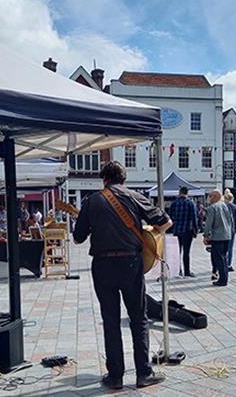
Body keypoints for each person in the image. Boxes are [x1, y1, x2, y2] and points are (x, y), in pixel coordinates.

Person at [72, 161, 172, 390]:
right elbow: (166, 222)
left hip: (103, 265)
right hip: (130, 263)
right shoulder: (135, 196)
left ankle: (115, 376)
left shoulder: (92, 201)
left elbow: (78, 238)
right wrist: (148, 237)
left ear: (103, 179)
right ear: (123, 179)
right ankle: (143, 373)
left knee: (111, 320)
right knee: (139, 319)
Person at [203, 190, 234, 287]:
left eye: (210, 196)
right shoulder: (225, 206)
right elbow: (231, 220)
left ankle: (222, 280)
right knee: (224, 258)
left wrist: (206, 236)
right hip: (227, 235)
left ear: (216, 196)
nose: (209, 198)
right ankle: (224, 278)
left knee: (218, 259)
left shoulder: (212, 208)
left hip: (217, 236)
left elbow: (208, 224)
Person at [169, 186, 198, 277]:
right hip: (187, 230)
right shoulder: (190, 203)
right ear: (187, 193)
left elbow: (170, 216)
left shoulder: (174, 203)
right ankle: (187, 271)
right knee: (186, 252)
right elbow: (194, 217)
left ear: (180, 192)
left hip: (177, 230)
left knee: (178, 251)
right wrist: (196, 230)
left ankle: (178, 270)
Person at [223, 189, 236, 272]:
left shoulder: (222, 206)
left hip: (223, 230)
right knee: (230, 248)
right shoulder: (235, 207)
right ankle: (229, 264)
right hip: (232, 230)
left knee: (223, 248)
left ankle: (223, 263)